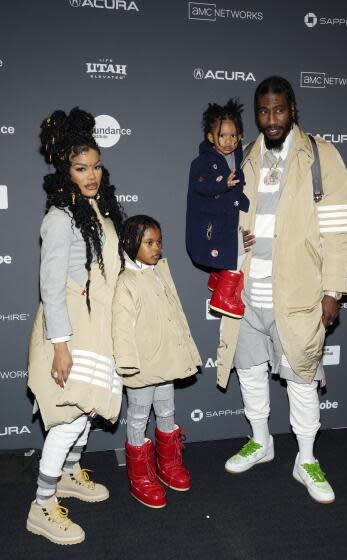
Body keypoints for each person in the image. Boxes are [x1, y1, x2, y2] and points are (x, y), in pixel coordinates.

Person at [217, 76, 347, 504]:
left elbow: (338, 231)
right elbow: (232, 216)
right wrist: (233, 239)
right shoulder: (248, 156)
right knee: (251, 374)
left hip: (296, 294)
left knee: (301, 377)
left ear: (292, 108)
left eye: (278, 109)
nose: (271, 119)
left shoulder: (321, 156)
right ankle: (261, 441)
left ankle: (307, 458)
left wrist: (333, 290)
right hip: (247, 292)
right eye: (263, 111)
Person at [27, 108, 125, 544]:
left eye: (96, 166)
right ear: (64, 171)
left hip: (96, 330)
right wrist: (60, 346)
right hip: (68, 333)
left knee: (86, 412)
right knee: (68, 418)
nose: (91, 175)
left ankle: (68, 474)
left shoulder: (98, 211)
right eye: (81, 168)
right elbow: (51, 286)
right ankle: (42, 505)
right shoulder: (59, 218)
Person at [112, 215, 201, 509]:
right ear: (131, 243)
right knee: (138, 418)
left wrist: (182, 348)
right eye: (149, 242)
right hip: (140, 367)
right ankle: (140, 475)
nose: (156, 248)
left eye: (159, 242)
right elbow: (121, 328)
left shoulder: (161, 271)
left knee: (167, 411)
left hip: (166, 361)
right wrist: (127, 364)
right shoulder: (125, 281)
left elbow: (174, 313)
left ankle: (169, 465)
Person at [186, 99, 250, 318]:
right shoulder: (202, 161)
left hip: (231, 217)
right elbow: (200, 184)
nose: (228, 141)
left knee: (241, 246)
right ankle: (223, 294)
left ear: (240, 136)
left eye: (233, 135)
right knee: (239, 249)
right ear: (211, 137)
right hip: (213, 222)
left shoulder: (239, 154)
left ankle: (219, 277)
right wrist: (223, 184)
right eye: (222, 135)